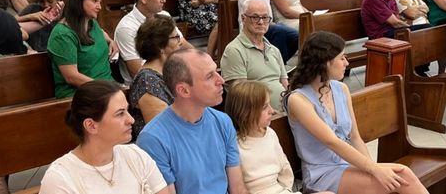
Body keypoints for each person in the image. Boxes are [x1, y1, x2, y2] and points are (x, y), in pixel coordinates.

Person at [285, 32, 428, 194]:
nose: (347, 63)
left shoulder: (341, 89)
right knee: (402, 178)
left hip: (349, 164)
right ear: (325, 62)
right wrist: (374, 170)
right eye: (342, 58)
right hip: (322, 173)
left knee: (403, 173)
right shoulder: (298, 100)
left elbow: (355, 137)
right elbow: (332, 142)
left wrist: (373, 169)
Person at [137, 49, 249, 194]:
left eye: (216, 71)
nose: (221, 80)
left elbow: (237, 188)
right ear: (184, 90)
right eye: (209, 76)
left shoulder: (223, 121)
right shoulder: (153, 139)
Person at [41, 80, 168, 194]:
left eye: (127, 110)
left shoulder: (136, 156)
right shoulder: (61, 178)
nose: (131, 120)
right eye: (120, 114)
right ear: (91, 125)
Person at [227, 80, 330, 194]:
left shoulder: (270, 133)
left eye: (270, 104)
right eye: (265, 107)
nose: (271, 111)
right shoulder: (235, 145)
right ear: (245, 113)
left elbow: (285, 169)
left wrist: (287, 190)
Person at [47, 0, 118, 98]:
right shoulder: (62, 35)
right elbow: (72, 77)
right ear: (79, 1)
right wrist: (106, 89)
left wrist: (111, 41)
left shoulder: (91, 22)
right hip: (80, 94)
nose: (99, 7)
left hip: (107, 89)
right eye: (95, 1)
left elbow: (101, 32)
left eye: (100, 2)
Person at [221, 0, 290, 112]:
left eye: (265, 17)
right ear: (243, 19)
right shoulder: (234, 50)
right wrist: (269, 112)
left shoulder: (274, 50)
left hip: (285, 111)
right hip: (259, 115)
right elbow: (241, 97)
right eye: (255, 17)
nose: (261, 22)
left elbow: (285, 84)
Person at [128, 15, 183, 140]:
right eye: (175, 37)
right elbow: (163, 131)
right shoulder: (147, 80)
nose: (180, 41)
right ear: (160, 46)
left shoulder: (170, 71)